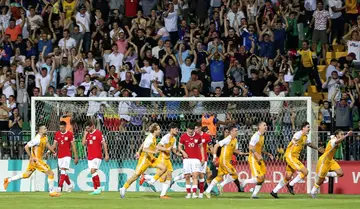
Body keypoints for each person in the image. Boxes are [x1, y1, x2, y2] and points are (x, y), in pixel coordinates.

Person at [3, 125, 60, 197]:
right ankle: (51, 192)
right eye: (44, 129)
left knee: (27, 175)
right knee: (51, 173)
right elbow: (26, 147)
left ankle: (8, 180)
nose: (46, 129)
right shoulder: (37, 139)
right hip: (36, 160)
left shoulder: (45, 137)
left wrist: (53, 151)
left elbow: (47, 144)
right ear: (40, 130)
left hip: (36, 160)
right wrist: (31, 157)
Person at [270, 122, 324, 198]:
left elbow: (309, 144)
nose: (309, 128)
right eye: (308, 127)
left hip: (294, 157)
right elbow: (294, 139)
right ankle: (291, 184)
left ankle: (274, 191)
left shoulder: (305, 137)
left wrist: (317, 148)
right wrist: (294, 142)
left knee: (288, 176)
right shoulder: (299, 134)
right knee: (305, 172)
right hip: (290, 156)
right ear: (303, 128)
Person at [119, 123, 167, 198]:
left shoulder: (152, 137)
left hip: (151, 158)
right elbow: (145, 149)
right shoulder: (150, 138)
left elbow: (143, 143)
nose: (160, 130)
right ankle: (123, 188)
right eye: (159, 129)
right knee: (135, 176)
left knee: (164, 168)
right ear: (155, 131)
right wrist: (153, 152)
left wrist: (138, 151)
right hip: (144, 159)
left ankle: (152, 180)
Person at [139, 122, 181, 198]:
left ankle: (162, 194)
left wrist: (180, 154)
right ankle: (146, 177)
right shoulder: (166, 137)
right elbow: (158, 147)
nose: (177, 131)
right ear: (171, 129)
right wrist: (166, 149)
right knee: (163, 178)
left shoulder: (174, 139)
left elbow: (174, 150)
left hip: (168, 159)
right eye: (176, 129)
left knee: (169, 177)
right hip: (162, 158)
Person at [310, 130, 353, 198]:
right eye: (341, 134)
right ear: (337, 135)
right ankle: (312, 192)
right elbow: (335, 141)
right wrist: (346, 135)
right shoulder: (333, 141)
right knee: (321, 180)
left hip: (331, 160)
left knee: (341, 173)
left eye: (343, 134)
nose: (342, 135)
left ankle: (326, 173)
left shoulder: (334, 138)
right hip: (324, 161)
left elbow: (334, 138)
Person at [204, 126, 242, 198]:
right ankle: (221, 185)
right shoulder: (227, 139)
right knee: (235, 175)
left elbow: (234, 150)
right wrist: (215, 157)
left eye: (237, 130)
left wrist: (242, 153)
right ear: (231, 132)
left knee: (219, 176)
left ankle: (207, 191)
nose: (237, 132)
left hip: (226, 161)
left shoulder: (235, 140)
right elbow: (216, 146)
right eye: (235, 130)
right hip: (224, 161)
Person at [240, 121, 273, 198]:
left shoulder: (262, 136)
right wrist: (258, 156)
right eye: (264, 125)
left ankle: (254, 195)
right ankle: (244, 182)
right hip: (253, 159)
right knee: (260, 178)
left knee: (262, 178)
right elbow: (251, 147)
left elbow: (259, 149)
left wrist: (267, 153)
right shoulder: (256, 136)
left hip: (259, 158)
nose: (266, 126)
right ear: (259, 127)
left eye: (266, 125)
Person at [82, 121, 109, 195]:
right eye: (86, 128)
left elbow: (104, 144)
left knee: (93, 170)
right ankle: (95, 189)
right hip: (90, 156)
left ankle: (99, 188)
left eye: (88, 128)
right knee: (92, 171)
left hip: (97, 155)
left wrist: (106, 154)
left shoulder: (98, 133)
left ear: (92, 126)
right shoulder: (87, 134)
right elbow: (83, 144)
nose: (87, 129)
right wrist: (85, 135)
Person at [178, 124, 205, 199]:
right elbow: (179, 147)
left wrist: (202, 157)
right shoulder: (183, 136)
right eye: (189, 130)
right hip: (187, 159)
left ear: (194, 129)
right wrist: (183, 152)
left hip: (196, 159)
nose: (191, 131)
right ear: (187, 129)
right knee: (187, 176)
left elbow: (201, 147)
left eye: (192, 130)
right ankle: (188, 193)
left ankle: (194, 193)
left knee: (195, 176)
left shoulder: (198, 136)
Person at [52, 121, 79, 193]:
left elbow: (73, 145)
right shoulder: (57, 134)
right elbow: (54, 145)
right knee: (63, 172)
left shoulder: (70, 134)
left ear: (65, 127)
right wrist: (50, 151)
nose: (61, 129)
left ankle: (59, 188)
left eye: (62, 127)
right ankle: (70, 185)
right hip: (60, 155)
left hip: (67, 155)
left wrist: (76, 156)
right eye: (60, 127)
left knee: (63, 170)